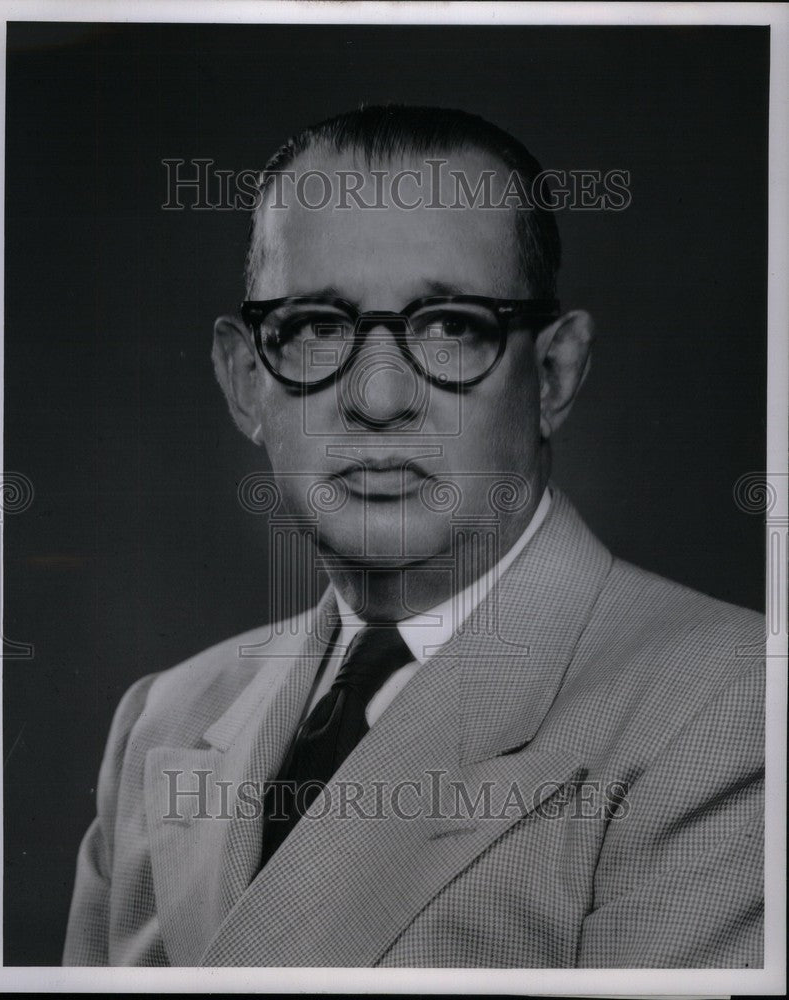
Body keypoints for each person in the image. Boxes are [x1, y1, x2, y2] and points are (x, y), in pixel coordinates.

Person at [63, 105, 764, 968]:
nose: (381, 401)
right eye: (319, 327)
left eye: (451, 326)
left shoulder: (730, 707)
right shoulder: (163, 719)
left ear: (554, 374)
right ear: (248, 382)